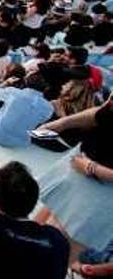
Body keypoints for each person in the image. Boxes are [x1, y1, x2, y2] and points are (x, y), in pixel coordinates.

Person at [35, 98, 113, 263]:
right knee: (34, 234)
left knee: (54, 256)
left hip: (101, 192)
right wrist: (61, 124)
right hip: (77, 169)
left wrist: (92, 168)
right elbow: (103, 113)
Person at [0, 73, 54, 147]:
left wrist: (6, 82)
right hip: (20, 142)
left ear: (26, 82)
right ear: (46, 88)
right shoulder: (49, 108)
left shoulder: (13, 92)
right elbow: (40, 122)